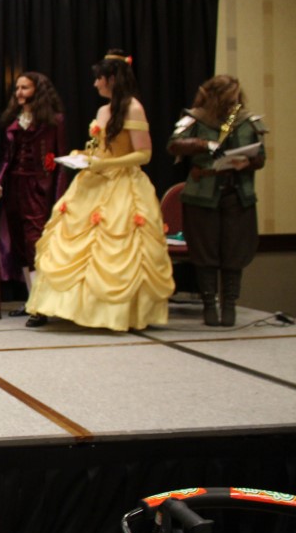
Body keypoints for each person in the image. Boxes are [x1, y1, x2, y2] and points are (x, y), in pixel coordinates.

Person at [26, 50, 174, 331]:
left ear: (113, 78)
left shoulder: (133, 108)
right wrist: (83, 155)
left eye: (99, 79)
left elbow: (144, 154)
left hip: (122, 184)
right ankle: (65, 308)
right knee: (70, 239)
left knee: (115, 243)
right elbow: (101, 148)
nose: (95, 84)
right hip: (94, 180)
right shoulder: (103, 110)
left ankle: (116, 313)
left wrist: (107, 163)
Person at [167, 74, 267, 327]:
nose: (232, 102)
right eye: (228, 97)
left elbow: (260, 157)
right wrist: (203, 144)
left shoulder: (247, 121)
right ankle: (209, 305)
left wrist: (247, 162)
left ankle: (229, 305)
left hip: (238, 194)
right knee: (205, 253)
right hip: (203, 194)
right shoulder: (195, 118)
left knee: (234, 253)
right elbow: (174, 145)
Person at [0, 71, 68, 323]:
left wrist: (59, 196)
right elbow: (7, 158)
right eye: (17, 88)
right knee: (20, 245)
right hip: (15, 186)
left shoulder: (54, 121)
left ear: (38, 90)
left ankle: (41, 305)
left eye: (25, 88)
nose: (19, 92)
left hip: (38, 188)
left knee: (35, 243)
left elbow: (61, 161)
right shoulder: (15, 120)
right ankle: (31, 299)